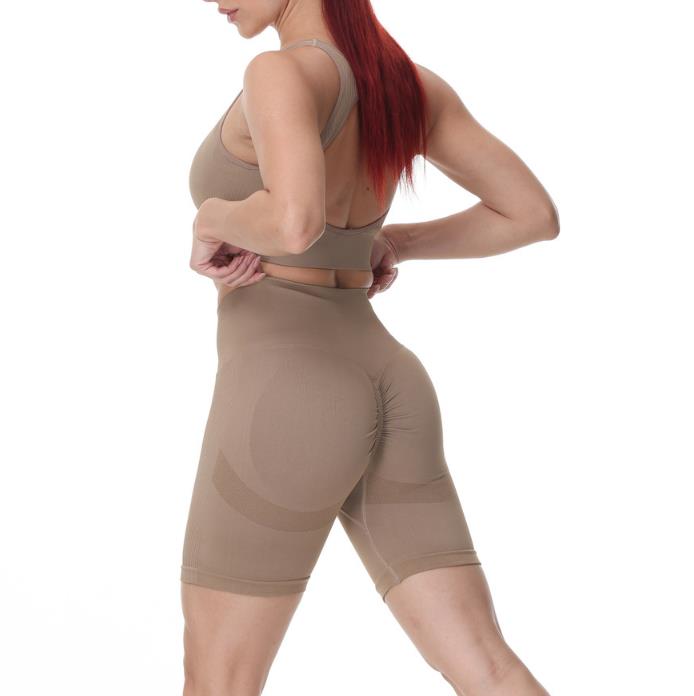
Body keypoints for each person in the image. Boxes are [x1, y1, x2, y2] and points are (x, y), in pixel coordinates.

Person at [181, 1, 559, 694]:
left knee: (220, 679)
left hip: (287, 389)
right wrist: (392, 243)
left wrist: (212, 217)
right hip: (390, 379)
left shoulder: (278, 74)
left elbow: (293, 221)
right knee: (485, 664)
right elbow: (531, 214)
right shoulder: (408, 88)